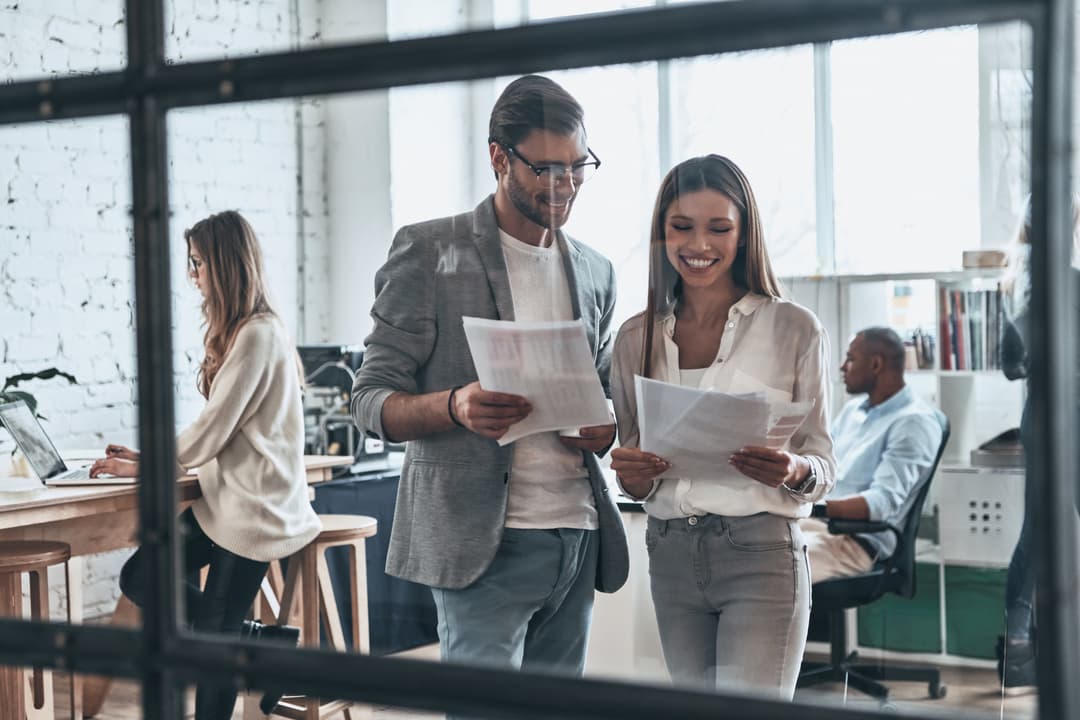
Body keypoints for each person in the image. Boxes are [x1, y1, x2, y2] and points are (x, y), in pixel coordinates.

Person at [350, 75, 628, 688]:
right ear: (499, 157)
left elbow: (606, 391)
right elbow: (369, 400)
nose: (564, 186)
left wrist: (607, 425)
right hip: (483, 546)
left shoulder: (597, 271)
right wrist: (455, 406)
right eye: (546, 169)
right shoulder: (429, 251)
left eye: (577, 168)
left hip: (575, 536)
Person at [609, 154, 835, 699]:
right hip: (669, 555)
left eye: (719, 228)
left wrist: (793, 468)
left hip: (759, 551)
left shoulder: (794, 328)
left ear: (744, 233)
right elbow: (631, 474)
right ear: (662, 234)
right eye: (681, 227)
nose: (698, 244)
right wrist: (632, 475)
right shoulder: (634, 337)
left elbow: (823, 464)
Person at [89, 210, 321, 719]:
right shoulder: (242, 330)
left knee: (214, 652)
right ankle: (264, 642)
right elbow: (217, 428)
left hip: (254, 513)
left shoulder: (259, 334)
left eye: (198, 262)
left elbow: (213, 429)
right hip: (223, 505)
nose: (192, 273)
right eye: (190, 262)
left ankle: (249, 643)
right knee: (141, 576)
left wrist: (149, 468)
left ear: (224, 264)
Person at [801, 327, 943, 582]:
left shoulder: (913, 423)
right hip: (818, 527)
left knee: (768, 574)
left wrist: (813, 508)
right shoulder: (854, 410)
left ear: (876, 364)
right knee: (734, 553)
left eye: (851, 359)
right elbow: (824, 465)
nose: (843, 367)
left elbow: (881, 503)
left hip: (854, 543)